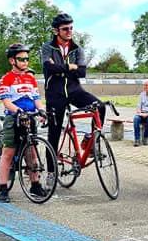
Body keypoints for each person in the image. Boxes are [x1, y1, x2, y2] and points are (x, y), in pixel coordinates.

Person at [41, 12, 104, 177]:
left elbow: (82, 72)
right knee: (54, 135)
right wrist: (70, 67)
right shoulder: (47, 48)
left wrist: (61, 68)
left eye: (71, 28)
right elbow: (49, 68)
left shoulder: (77, 49)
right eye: (65, 29)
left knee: (100, 107)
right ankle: (51, 174)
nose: (69, 31)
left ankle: (91, 141)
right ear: (56, 31)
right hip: (55, 95)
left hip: (75, 91)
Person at [0, 44, 48, 202]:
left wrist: (42, 110)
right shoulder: (6, 79)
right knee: (8, 154)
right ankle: (3, 189)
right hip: (14, 118)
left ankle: (35, 185)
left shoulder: (30, 78)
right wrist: (19, 111)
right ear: (12, 60)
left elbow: (36, 98)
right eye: (21, 59)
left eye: (27, 59)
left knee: (31, 153)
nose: (25, 62)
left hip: (29, 118)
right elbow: (6, 102)